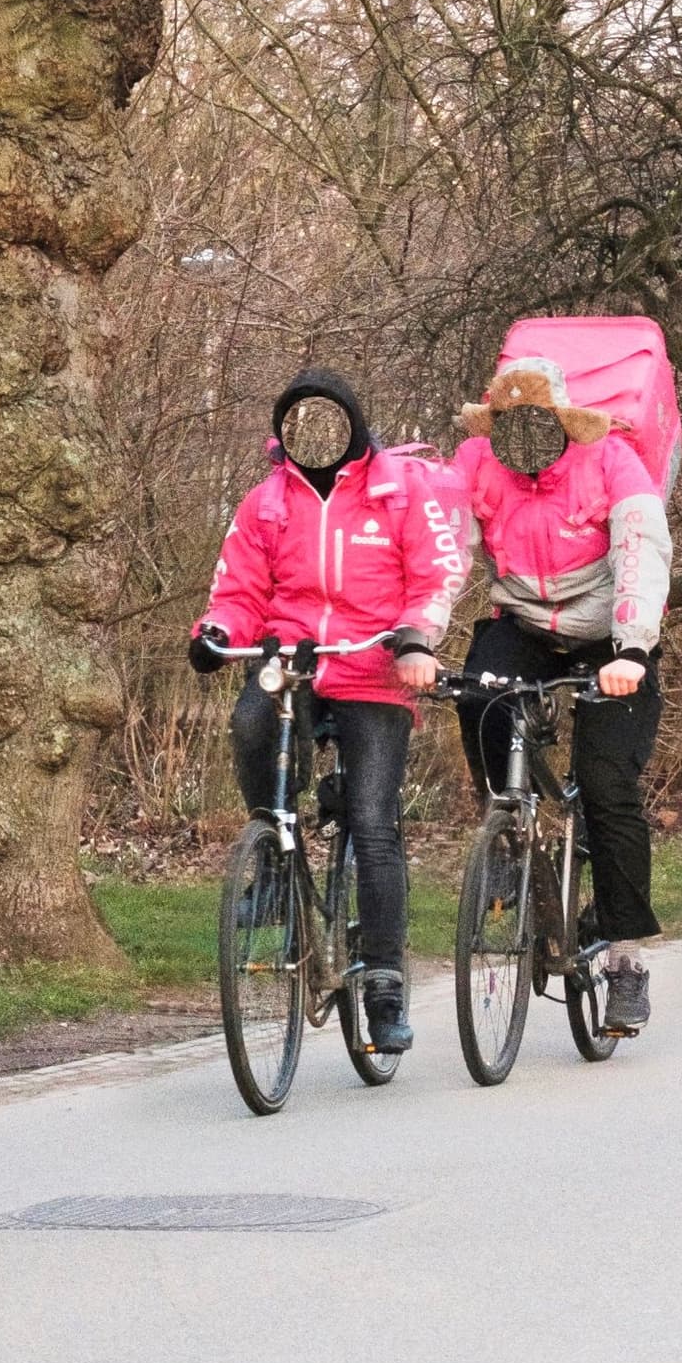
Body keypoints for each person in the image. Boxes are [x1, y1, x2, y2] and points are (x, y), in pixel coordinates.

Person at [189, 371, 469, 1054]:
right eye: (298, 424)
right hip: (295, 656)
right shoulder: (266, 503)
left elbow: (437, 573)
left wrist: (415, 638)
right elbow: (238, 588)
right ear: (285, 435)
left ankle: (383, 980)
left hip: (375, 665)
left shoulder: (398, 494)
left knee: (374, 823)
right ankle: (275, 849)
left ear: (353, 427)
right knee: (251, 722)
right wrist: (218, 632)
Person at [448, 354, 672, 1034]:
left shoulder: (612, 462)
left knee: (607, 787)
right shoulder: (475, 464)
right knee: (477, 697)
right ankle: (508, 837)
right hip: (522, 623)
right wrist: (415, 640)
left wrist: (633, 647)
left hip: (609, 635)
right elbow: (445, 550)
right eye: (509, 425)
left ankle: (626, 958)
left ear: (562, 422)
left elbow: (641, 551)